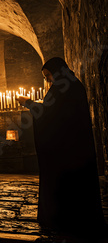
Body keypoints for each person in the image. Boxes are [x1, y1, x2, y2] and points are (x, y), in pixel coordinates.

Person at [18, 57, 107, 239]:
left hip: (68, 151)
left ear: (57, 71)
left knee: (68, 188)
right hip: (71, 148)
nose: (48, 80)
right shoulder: (69, 86)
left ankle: (66, 220)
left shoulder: (65, 88)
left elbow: (52, 116)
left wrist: (28, 103)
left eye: (49, 75)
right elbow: (54, 113)